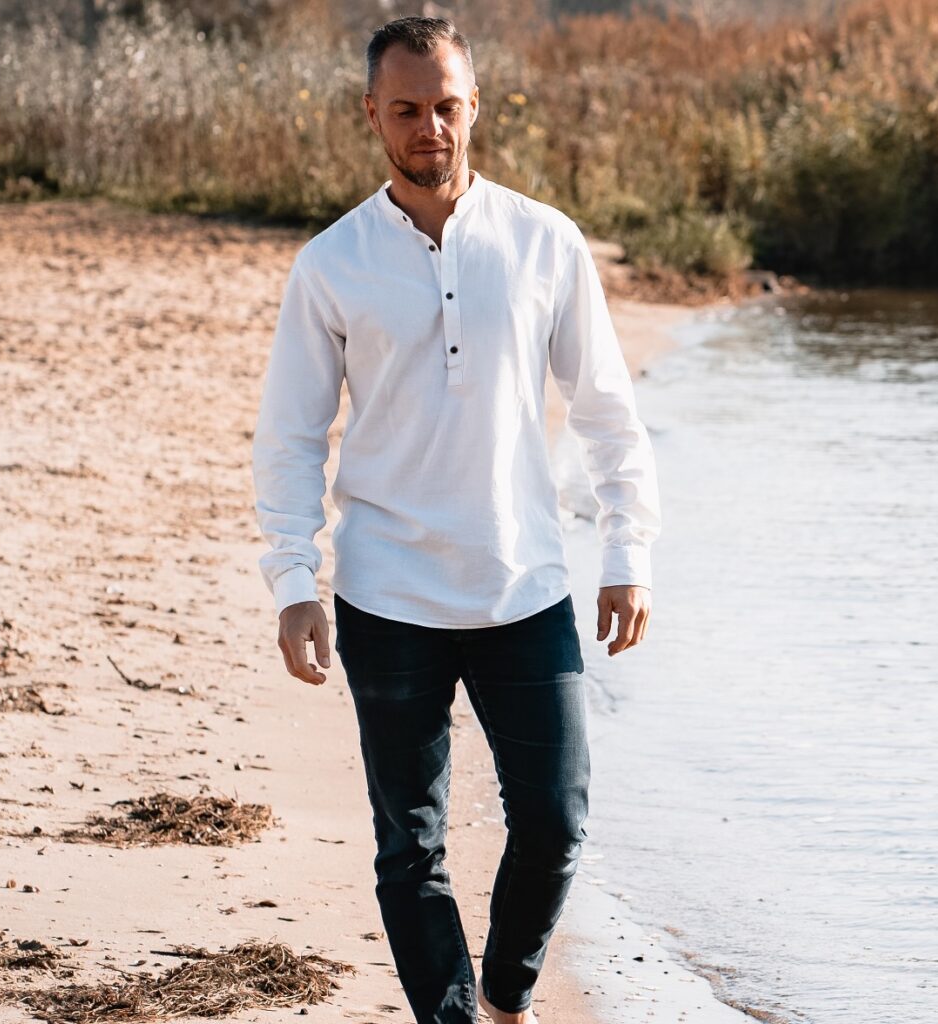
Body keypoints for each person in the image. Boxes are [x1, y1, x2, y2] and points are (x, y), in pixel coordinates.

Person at [251, 15, 660, 1024]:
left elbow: (607, 411)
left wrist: (627, 550)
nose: (429, 128)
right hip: (387, 595)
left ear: (474, 105)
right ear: (371, 115)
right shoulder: (332, 264)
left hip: (524, 585)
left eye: (445, 106)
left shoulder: (544, 241)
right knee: (411, 847)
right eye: (407, 109)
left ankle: (505, 999)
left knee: (556, 821)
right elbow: (292, 437)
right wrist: (293, 581)